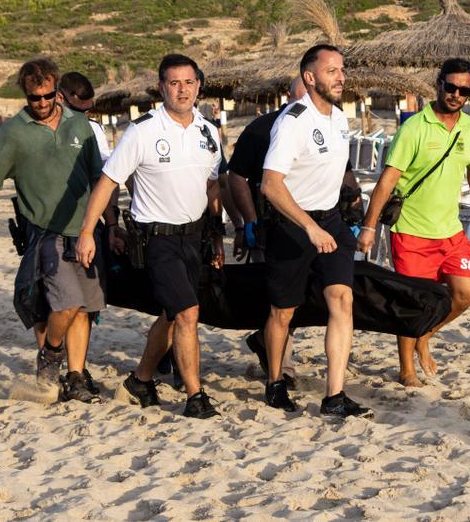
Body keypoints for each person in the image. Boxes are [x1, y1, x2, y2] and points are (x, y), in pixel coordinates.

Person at [75, 53, 226, 420]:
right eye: (174, 83)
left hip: (195, 237)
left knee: (173, 316)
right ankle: (195, 396)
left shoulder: (209, 131)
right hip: (157, 239)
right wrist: (88, 232)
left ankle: (141, 380)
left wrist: (217, 234)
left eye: (189, 82)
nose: (182, 90)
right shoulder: (143, 131)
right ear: (161, 88)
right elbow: (108, 181)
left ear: (199, 86)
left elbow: (213, 186)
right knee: (188, 313)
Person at [0, 57, 107, 403]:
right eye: (35, 98)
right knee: (65, 303)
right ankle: (50, 356)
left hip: (85, 230)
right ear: (26, 95)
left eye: (48, 96)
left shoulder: (80, 125)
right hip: (45, 232)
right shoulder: (13, 132)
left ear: (57, 90)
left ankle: (75, 377)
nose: (42, 103)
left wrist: (110, 222)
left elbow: (99, 178)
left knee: (84, 308)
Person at [357, 58, 470, 387]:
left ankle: (424, 335)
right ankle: (406, 370)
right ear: (438, 84)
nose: (456, 94)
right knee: (411, 302)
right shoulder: (414, 127)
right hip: (410, 232)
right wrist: (369, 226)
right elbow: (387, 181)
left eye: (464, 90)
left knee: (467, 291)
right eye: (450, 87)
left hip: (450, 231)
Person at [260, 44, 370, 419]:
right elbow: (271, 184)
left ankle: (334, 395)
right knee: (283, 312)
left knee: (342, 300)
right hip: (292, 224)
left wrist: (353, 202)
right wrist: (307, 227)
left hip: (331, 222)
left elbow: (339, 171)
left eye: (342, 70)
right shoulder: (293, 121)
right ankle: (275, 383)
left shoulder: (339, 119)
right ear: (310, 78)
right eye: (331, 71)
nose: (341, 77)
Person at [227, 77, 308, 386]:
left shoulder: (327, 126)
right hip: (271, 225)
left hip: (314, 226)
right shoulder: (262, 129)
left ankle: (265, 341)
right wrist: (248, 221)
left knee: (298, 299)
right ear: (288, 97)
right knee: (278, 299)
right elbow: (236, 177)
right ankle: (282, 369)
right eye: (301, 97)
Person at [57, 71, 111, 161]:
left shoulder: (93, 128)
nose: (83, 116)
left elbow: (103, 159)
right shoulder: (40, 127)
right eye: (79, 111)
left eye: (87, 110)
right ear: (60, 98)